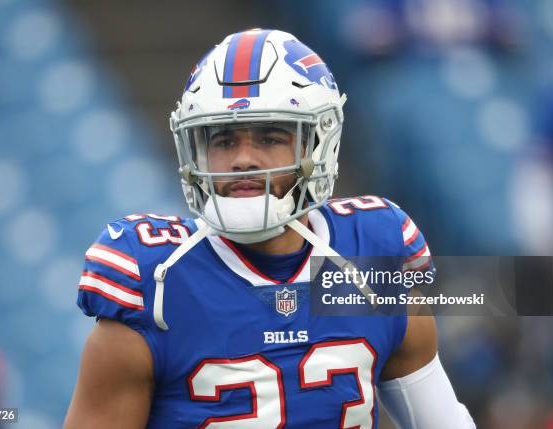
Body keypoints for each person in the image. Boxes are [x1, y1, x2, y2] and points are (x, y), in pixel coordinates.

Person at [64, 29, 475, 428]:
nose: (244, 159)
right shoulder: (156, 281)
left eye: (270, 137)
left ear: (318, 144)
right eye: (223, 141)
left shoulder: (371, 251)